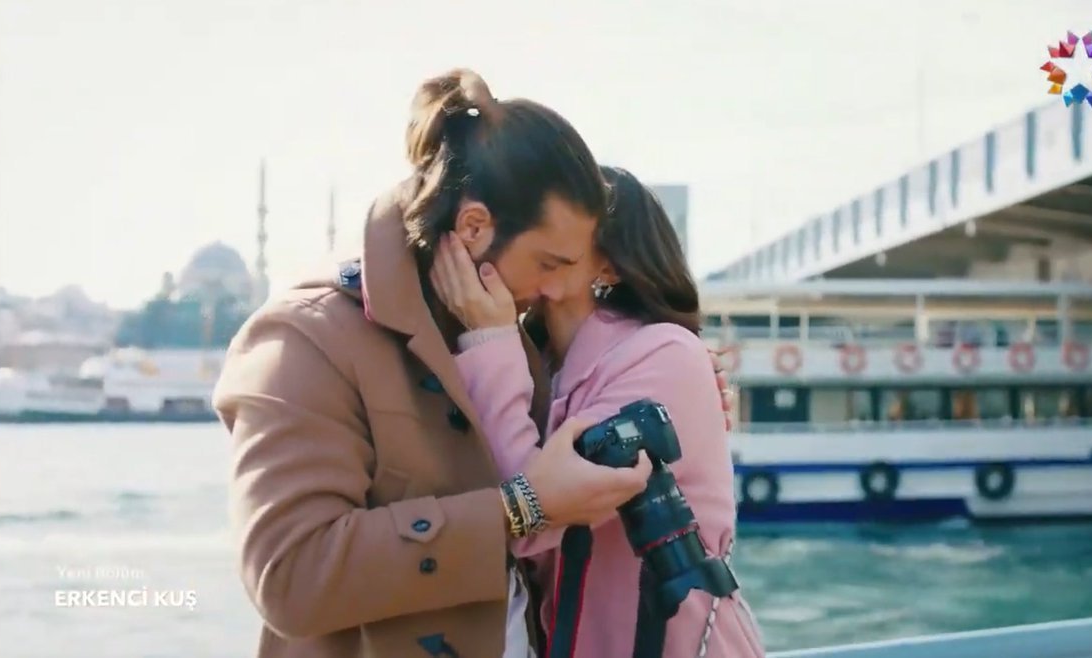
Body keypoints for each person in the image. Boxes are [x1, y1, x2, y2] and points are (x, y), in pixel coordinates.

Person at [213, 70, 733, 658]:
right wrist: (520, 508)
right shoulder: (305, 338)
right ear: (474, 226)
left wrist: (686, 382)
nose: (552, 290)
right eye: (548, 263)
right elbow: (289, 575)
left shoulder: (506, 339)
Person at [434, 166, 766, 657]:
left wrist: (489, 338)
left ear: (608, 266)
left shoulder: (663, 353)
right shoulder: (539, 366)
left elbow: (539, 514)